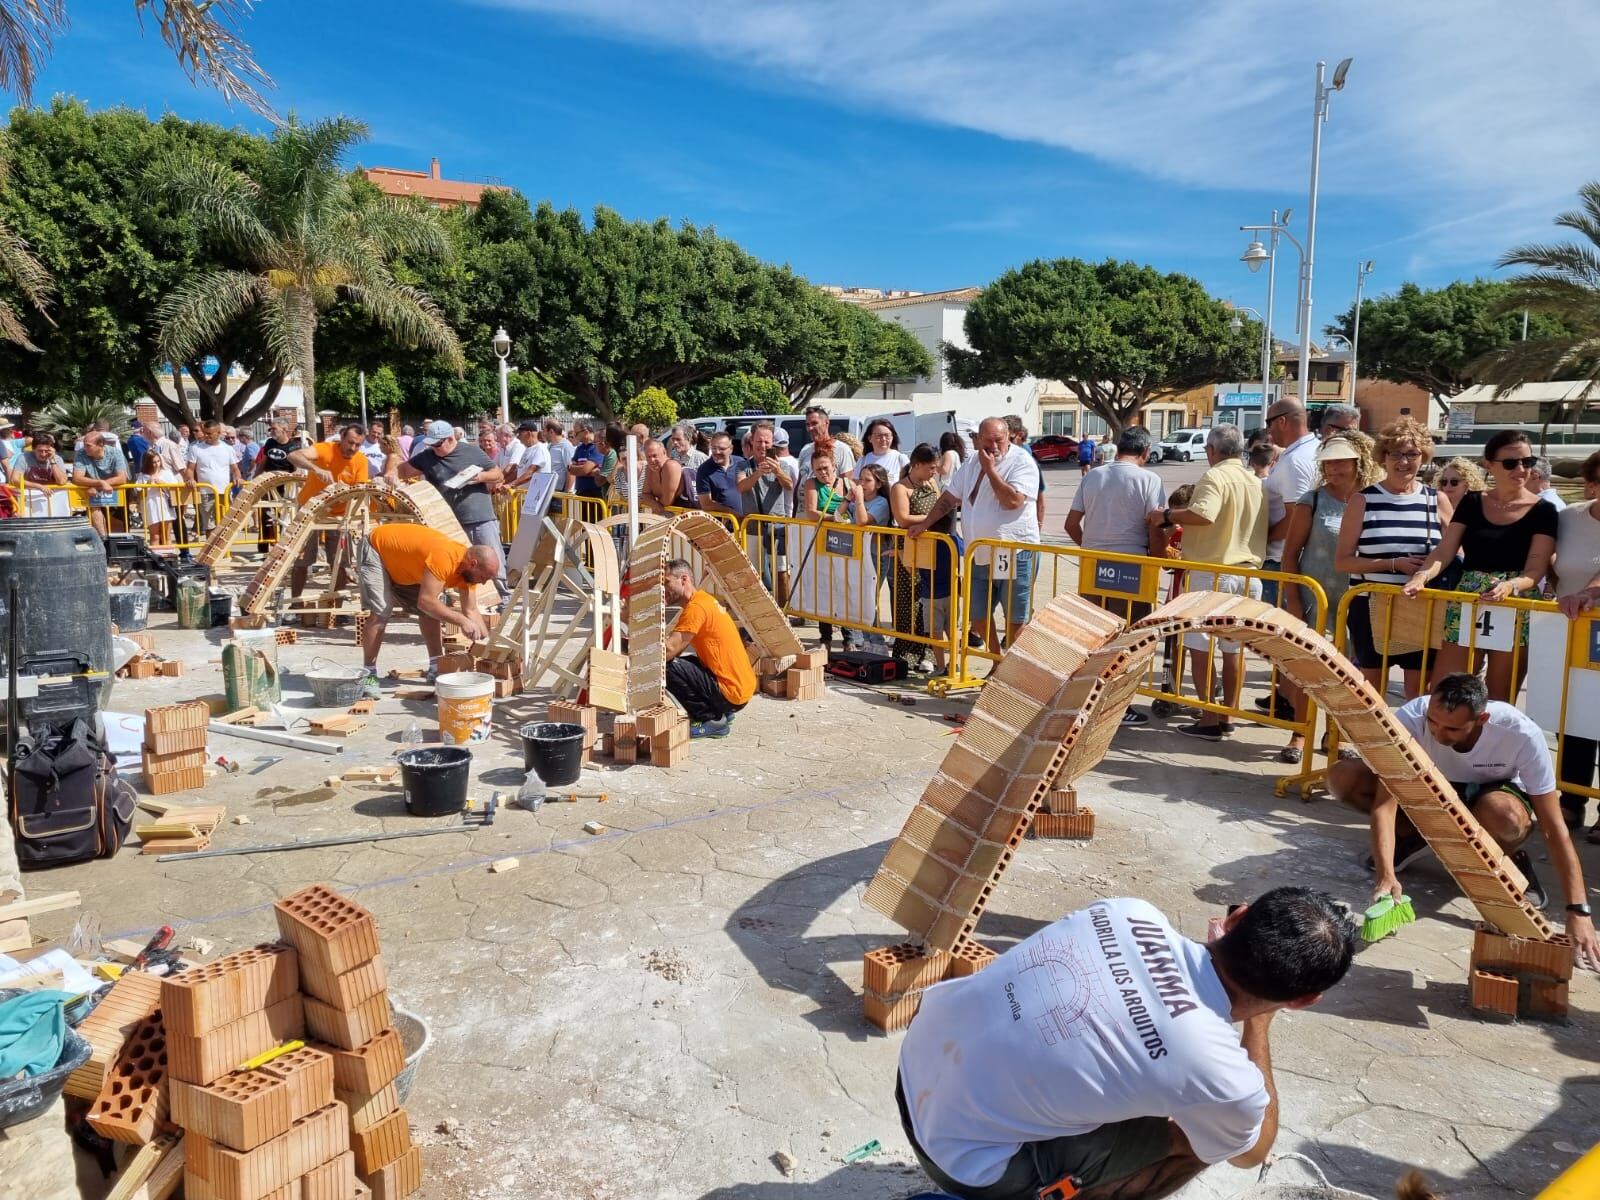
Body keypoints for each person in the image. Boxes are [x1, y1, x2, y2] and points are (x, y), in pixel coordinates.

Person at [897, 888, 1357, 1200]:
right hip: (961, 1162)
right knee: (1204, 1139)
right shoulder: (1222, 1073)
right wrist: (1259, 1025)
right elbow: (1251, 1151)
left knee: (1151, 1079)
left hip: (913, 1071)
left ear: (1235, 919)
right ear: (1303, 1000)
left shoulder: (1129, 910)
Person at [1328, 673, 1600, 959]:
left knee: (1506, 818)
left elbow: (1553, 828)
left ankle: (1510, 860)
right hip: (1433, 784)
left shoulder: (1522, 733)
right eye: (1432, 721)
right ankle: (1411, 838)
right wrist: (1386, 876)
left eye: (1452, 729)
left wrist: (1578, 909)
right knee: (1342, 778)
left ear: (1481, 720)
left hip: (1492, 794)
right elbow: (1385, 804)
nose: (1437, 733)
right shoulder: (1411, 717)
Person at [1403, 430, 1555, 701]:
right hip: (1468, 599)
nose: (1521, 469)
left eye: (1527, 462)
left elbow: (1535, 570)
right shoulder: (1473, 502)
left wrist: (1510, 585)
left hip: (1514, 603)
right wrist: (1421, 576)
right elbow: (1446, 550)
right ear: (1489, 464)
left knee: (1499, 702)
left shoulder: (1544, 511)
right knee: (1445, 693)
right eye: (1511, 463)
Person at [1148, 424, 1267, 741]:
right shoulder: (1254, 480)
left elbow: (1204, 514)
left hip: (1213, 572)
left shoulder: (1214, 477)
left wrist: (1168, 515)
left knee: (1201, 649)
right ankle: (1228, 713)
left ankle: (1209, 716)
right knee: (1234, 650)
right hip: (1247, 573)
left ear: (1212, 450)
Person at [1334, 417, 1452, 701]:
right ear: (1383, 458)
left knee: (1418, 696)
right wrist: (1393, 564)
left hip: (1420, 607)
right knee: (1371, 694)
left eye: (1412, 454)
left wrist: (1426, 571)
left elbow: (1454, 552)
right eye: (1396, 453)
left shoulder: (1437, 500)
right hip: (1371, 606)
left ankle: (1409, 746)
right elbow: (1343, 561)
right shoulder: (1363, 500)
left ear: (1423, 457)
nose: (1404, 461)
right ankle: (1369, 745)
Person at [1278, 432, 1379, 762]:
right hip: (1315, 600)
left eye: (1340, 460)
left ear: (1357, 461)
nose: (1332, 467)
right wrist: (1294, 601)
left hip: (1356, 603)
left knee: (1349, 673)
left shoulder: (1371, 499)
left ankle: (1337, 734)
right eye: (1328, 460)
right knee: (1310, 672)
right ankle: (1299, 733)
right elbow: (1290, 554)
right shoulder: (1313, 500)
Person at [906, 417, 1040, 652]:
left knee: (1014, 617)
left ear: (1009, 437)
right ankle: (996, 658)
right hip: (978, 552)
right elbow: (949, 498)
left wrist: (990, 470)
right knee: (977, 614)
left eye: (999, 441)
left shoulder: (1022, 462)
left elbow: (1013, 501)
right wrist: (926, 523)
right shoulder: (971, 463)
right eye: (988, 442)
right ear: (978, 441)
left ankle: (1011, 669)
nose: (994, 447)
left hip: (1013, 551)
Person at [354, 523, 499, 694]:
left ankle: (436, 664)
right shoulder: (446, 558)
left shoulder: (468, 572)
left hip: (405, 566)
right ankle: (369, 673)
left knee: (430, 612)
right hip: (376, 549)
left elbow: (471, 610)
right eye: (483, 577)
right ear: (473, 563)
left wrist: (489, 648)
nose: (482, 582)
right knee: (381, 613)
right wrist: (461, 621)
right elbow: (426, 601)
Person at [398, 421, 508, 600]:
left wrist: (479, 477)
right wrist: (390, 468)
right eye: (432, 444)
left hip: (479, 517)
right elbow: (402, 471)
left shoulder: (472, 451)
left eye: (438, 444)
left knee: (491, 559)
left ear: (450, 439)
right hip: (448, 521)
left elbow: (498, 474)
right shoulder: (427, 456)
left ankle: (502, 597)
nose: (435, 448)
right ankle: (461, 601)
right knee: (458, 564)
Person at [1066, 425, 1166, 621]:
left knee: (1093, 630)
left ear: (1118, 449)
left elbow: (1070, 524)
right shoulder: (1150, 480)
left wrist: (1089, 546)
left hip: (1092, 565)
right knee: (1128, 633)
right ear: (1146, 451)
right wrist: (1159, 557)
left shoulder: (1093, 476)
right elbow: (1155, 526)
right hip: (1131, 569)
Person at [1553, 450, 1600, 837]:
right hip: (1572, 636)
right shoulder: (1568, 518)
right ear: (1589, 483)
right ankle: (1570, 801)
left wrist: (1588, 592)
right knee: (1574, 720)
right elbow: (1552, 567)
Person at [662, 557, 757, 738]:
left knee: (666, 668)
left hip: (731, 694)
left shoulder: (696, 608)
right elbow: (677, 648)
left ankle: (709, 720)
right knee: (686, 663)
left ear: (684, 579)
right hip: (741, 689)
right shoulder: (704, 600)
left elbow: (668, 652)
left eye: (666, 583)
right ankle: (721, 711)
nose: (663, 589)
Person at [287, 424, 370, 598]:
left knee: (340, 562)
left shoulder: (361, 460)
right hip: (310, 511)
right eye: (350, 443)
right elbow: (293, 455)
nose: (353, 448)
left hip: (340, 515)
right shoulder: (325, 449)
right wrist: (316, 469)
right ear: (342, 437)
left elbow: (360, 491)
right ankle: (295, 603)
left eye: (358, 445)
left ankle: (335, 608)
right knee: (302, 560)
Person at [800, 450, 870, 651]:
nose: (822, 472)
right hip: (823, 541)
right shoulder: (812, 484)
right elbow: (811, 513)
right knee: (826, 589)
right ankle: (825, 638)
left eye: (825, 468)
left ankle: (849, 638)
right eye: (818, 469)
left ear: (834, 465)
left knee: (845, 587)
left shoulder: (847, 484)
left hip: (846, 542)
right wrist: (836, 518)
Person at [888, 444, 943, 674]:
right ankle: (907, 653)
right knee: (908, 602)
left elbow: (942, 505)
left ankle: (929, 653)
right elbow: (902, 518)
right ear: (917, 465)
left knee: (929, 603)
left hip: (933, 550)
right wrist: (933, 518)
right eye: (931, 467)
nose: (935, 472)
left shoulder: (932, 484)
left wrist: (930, 520)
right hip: (909, 551)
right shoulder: (900, 488)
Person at [737, 422, 797, 600]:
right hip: (753, 526)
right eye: (759, 441)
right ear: (752, 442)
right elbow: (741, 486)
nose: (763, 446)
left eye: (767, 442)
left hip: (776, 526)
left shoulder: (782, 465)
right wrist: (757, 473)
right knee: (753, 571)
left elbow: (789, 485)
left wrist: (777, 471)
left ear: (773, 443)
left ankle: (783, 609)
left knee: (781, 569)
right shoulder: (743, 465)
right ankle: (756, 608)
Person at [185, 419, 240, 533]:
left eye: (209, 433)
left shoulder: (227, 449)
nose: (206, 436)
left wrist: (237, 477)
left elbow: (235, 469)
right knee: (210, 525)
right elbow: (190, 469)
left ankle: (224, 550)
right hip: (206, 492)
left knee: (225, 524)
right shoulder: (196, 448)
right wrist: (190, 479)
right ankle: (211, 550)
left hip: (224, 491)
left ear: (218, 433)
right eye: (205, 432)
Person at [73, 431, 129, 537]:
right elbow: (77, 478)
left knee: (118, 521)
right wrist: (100, 483)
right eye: (84, 444)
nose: (85, 448)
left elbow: (122, 478)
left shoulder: (115, 453)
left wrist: (101, 484)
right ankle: (103, 539)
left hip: (114, 491)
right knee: (94, 507)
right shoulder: (81, 453)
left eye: (88, 445)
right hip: (93, 491)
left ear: (101, 444)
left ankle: (115, 543)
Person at [11, 432, 68, 517]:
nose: (43, 454)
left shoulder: (57, 459)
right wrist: (39, 486)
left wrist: (52, 460)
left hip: (52, 500)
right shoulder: (24, 457)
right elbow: (14, 479)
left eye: (46, 451)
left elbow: (62, 481)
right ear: (33, 449)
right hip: (29, 500)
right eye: (40, 451)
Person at [796, 406, 855, 485]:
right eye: (807, 424)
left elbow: (847, 485)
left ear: (826, 423)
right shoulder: (805, 450)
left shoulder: (842, 450)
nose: (810, 428)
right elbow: (799, 482)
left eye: (814, 423)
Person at [137, 449, 180, 548]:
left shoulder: (167, 473)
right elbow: (140, 494)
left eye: (158, 461)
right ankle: (156, 559)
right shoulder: (143, 476)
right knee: (155, 536)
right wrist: (147, 484)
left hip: (165, 505)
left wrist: (163, 483)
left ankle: (168, 558)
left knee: (166, 536)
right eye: (153, 462)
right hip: (151, 505)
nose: (156, 464)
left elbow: (175, 488)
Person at [696, 432, 744, 518]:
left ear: (731, 449)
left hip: (747, 523)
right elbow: (706, 504)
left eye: (721, 449)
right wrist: (732, 514)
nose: (717, 452)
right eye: (714, 448)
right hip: (723, 526)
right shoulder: (704, 470)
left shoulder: (741, 462)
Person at [856, 418, 909, 485]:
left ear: (892, 437)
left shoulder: (901, 459)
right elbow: (856, 484)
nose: (883, 439)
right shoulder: (862, 461)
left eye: (887, 435)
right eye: (879, 436)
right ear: (869, 438)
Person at [568, 420, 606, 512]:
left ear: (585, 432)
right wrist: (587, 470)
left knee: (596, 524)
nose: (575, 436)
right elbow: (571, 468)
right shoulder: (579, 448)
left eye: (576, 433)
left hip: (595, 494)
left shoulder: (597, 447)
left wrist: (579, 469)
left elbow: (584, 470)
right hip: (582, 493)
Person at [640, 438, 684, 515]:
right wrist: (654, 504)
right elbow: (645, 494)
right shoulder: (648, 468)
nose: (651, 460)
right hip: (669, 515)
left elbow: (667, 501)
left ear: (664, 452)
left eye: (654, 455)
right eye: (648, 457)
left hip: (688, 515)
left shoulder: (671, 466)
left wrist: (654, 507)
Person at [542, 418, 574, 492]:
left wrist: (566, 494)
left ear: (551, 431)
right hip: (551, 490)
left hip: (561, 493)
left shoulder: (566, 446)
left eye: (544, 430)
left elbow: (571, 471)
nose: (543, 434)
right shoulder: (549, 446)